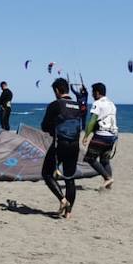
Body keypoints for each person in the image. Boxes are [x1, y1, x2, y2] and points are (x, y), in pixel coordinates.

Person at [40, 78, 85, 219]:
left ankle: (63, 200)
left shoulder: (55, 104)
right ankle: (68, 213)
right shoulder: (78, 105)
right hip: (74, 145)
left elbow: (44, 126)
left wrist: (52, 129)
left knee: (47, 173)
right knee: (70, 178)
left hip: (60, 144)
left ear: (57, 91)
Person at [83, 82, 118, 189]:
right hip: (112, 136)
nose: (92, 95)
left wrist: (86, 135)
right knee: (104, 160)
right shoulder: (112, 104)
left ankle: (107, 178)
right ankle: (109, 185)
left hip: (101, 136)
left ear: (97, 92)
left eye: (93, 93)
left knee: (90, 158)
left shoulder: (98, 103)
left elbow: (92, 121)